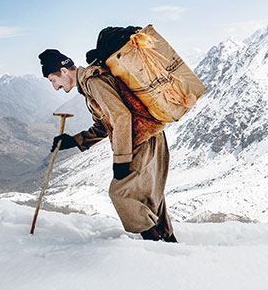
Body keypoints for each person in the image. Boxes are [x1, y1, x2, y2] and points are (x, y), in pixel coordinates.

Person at [38, 48, 177, 242]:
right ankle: (170, 245)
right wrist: (75, 141)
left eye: (53, 80)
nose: (55, 87)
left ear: (63, 71)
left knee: (121, 193)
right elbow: (106, 123)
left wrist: (121, 160)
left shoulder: (93, 81)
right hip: (150, 135)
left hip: (141, 139)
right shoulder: (89, 84)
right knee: (150, 197)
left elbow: (121, 116)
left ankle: (154, 246)